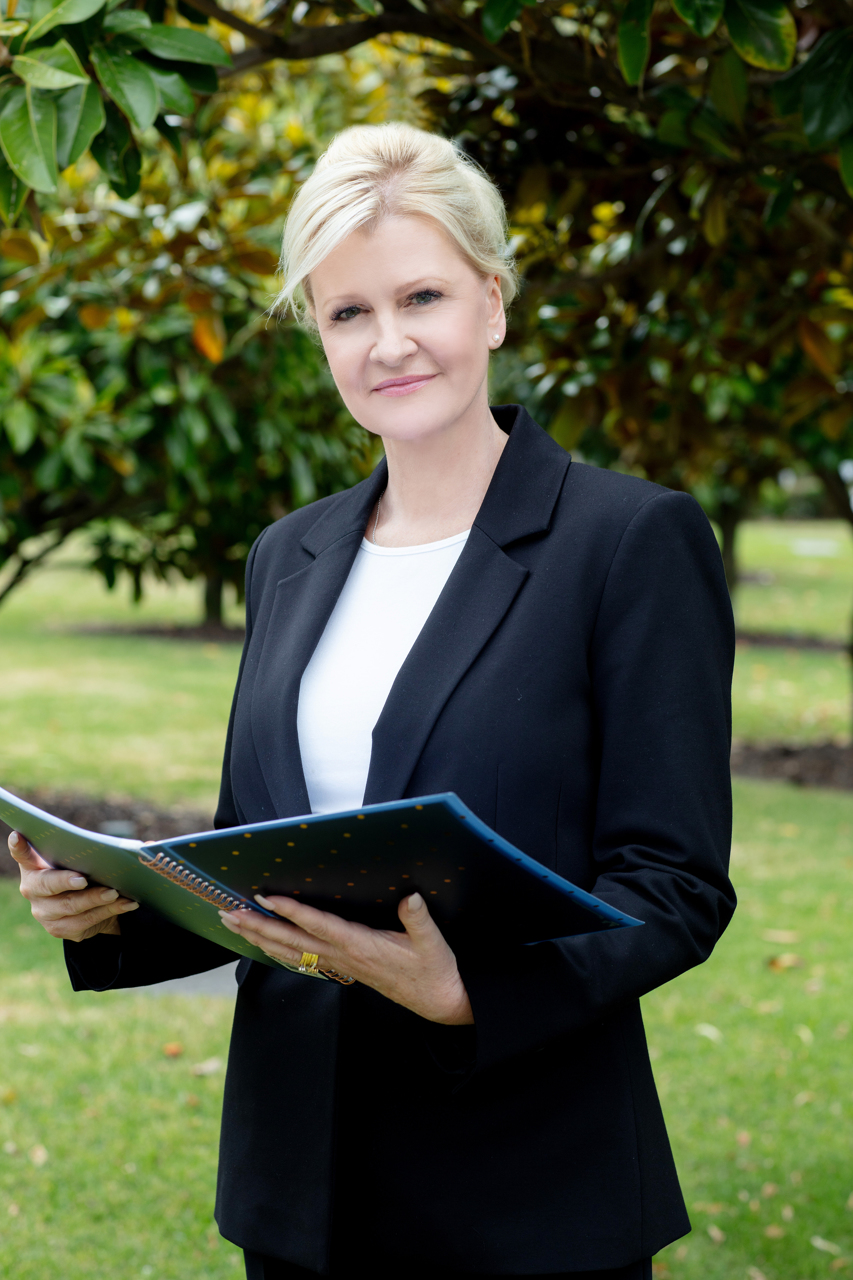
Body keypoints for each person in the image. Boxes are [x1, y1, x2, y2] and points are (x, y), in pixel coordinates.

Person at [10, 122, 736, 1280]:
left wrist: (469, 992)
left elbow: (674, 881)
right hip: (299, 1189)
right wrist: (115, 908)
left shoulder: (629, 540)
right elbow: (267, 848)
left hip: (525, 1189)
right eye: (348, 313)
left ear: (491, 304)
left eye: (422, 296)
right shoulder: (286, 554)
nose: (389, 342)